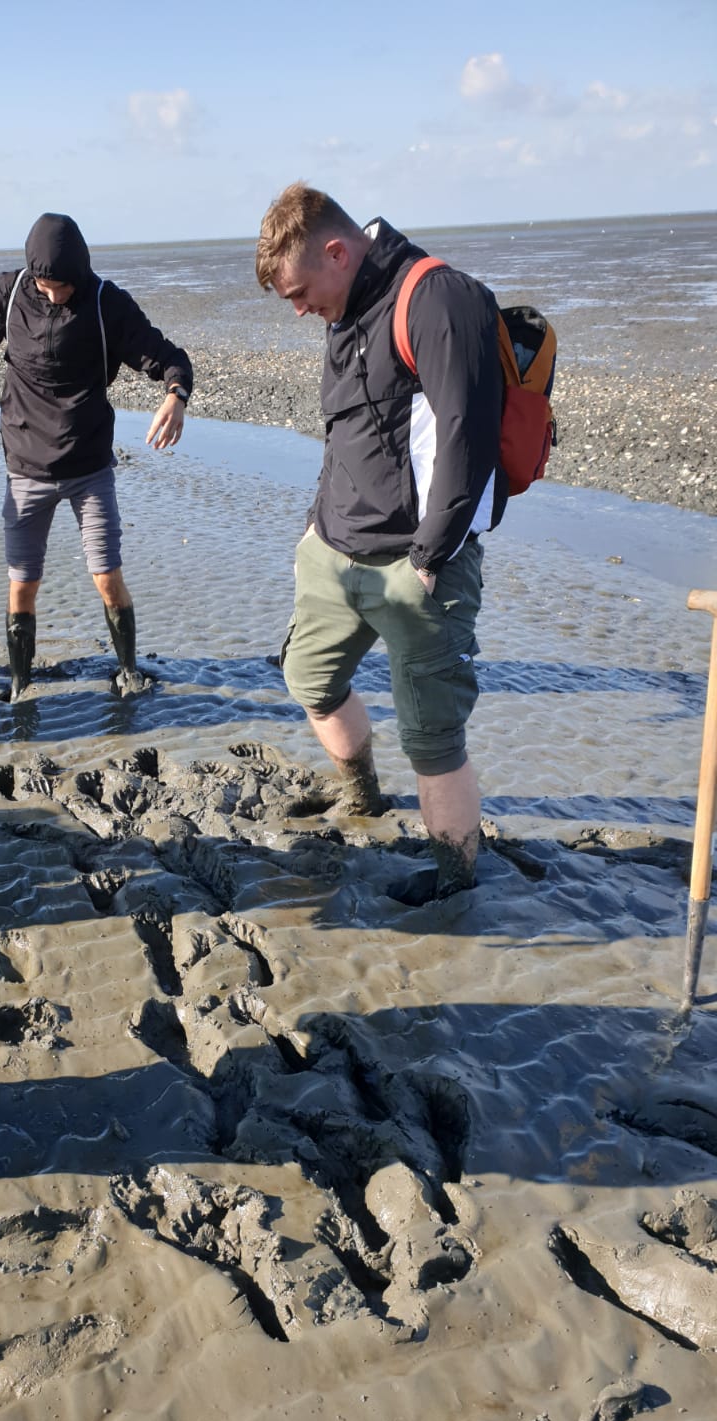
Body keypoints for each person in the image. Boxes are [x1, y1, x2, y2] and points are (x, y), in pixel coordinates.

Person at [256, 183, 506, 899]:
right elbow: (345, 431)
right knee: (310, 679)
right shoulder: (343, 309)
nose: (299, 310)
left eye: (299, 293)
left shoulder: (438, 298)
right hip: (334, 552)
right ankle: (363, 794)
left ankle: (455, 885)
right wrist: (315, 524)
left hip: (415, 566)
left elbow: (467, 436)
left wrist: (429, 556)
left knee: (432, 737)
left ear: (337, 252)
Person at [0, 213, 194, 699]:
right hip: (26, 466)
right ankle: (20, 684)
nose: (52, 294)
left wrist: (176, 395)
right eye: (44, 285)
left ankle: (128, 671)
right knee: (22, 585)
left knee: (107, 577)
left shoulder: (106, 303)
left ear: (79, 274)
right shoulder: (9, 294)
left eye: (61, 287)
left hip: (89, 467)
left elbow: (167, 356)